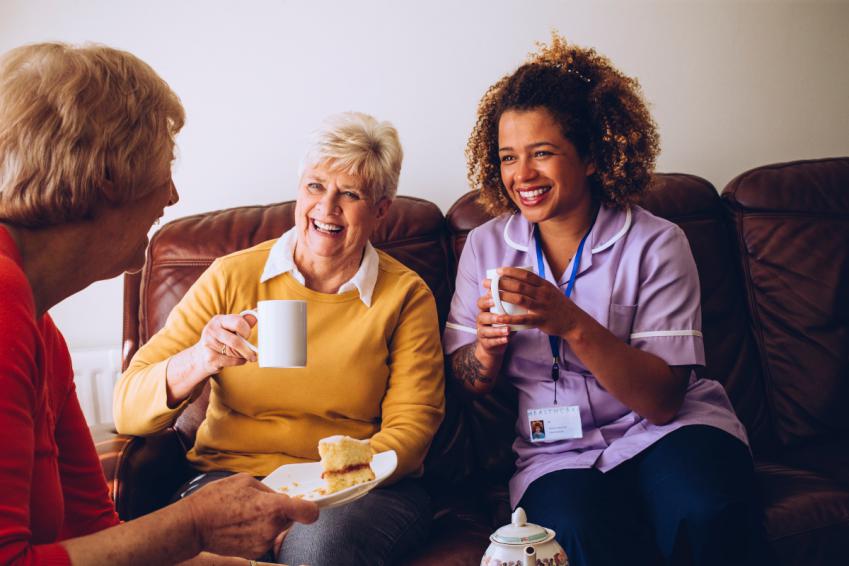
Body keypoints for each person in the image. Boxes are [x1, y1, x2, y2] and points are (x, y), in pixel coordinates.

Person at [444, 34, 761, 566]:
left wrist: (570, 322)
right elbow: (467, 378)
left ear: (591, 156)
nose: (522, 175)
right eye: (508, 157)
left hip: (668, 430)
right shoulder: (486, 246)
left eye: (542, 153)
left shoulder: (657, 242)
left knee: (700, 508)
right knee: (568, 532)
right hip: (555, 453)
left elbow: (662, 401)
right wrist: (487, 351)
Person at [0, 42, 318, 566]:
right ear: (107, 173)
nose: (172, 195)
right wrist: (193, 525)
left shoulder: (39, 326)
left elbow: (95, 529)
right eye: (162, 167)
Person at [113, 111, 446, 566]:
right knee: (199, 543)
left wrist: (319, 489)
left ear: (381, 210)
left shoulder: (405, 295)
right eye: (315, 187)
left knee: (317, 547)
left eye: (349, 194)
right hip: (231, 476)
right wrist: (199, 360)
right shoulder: (232, 276)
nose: (327, 209)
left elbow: (413, 428)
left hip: (357, 489)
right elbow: (127, 407)